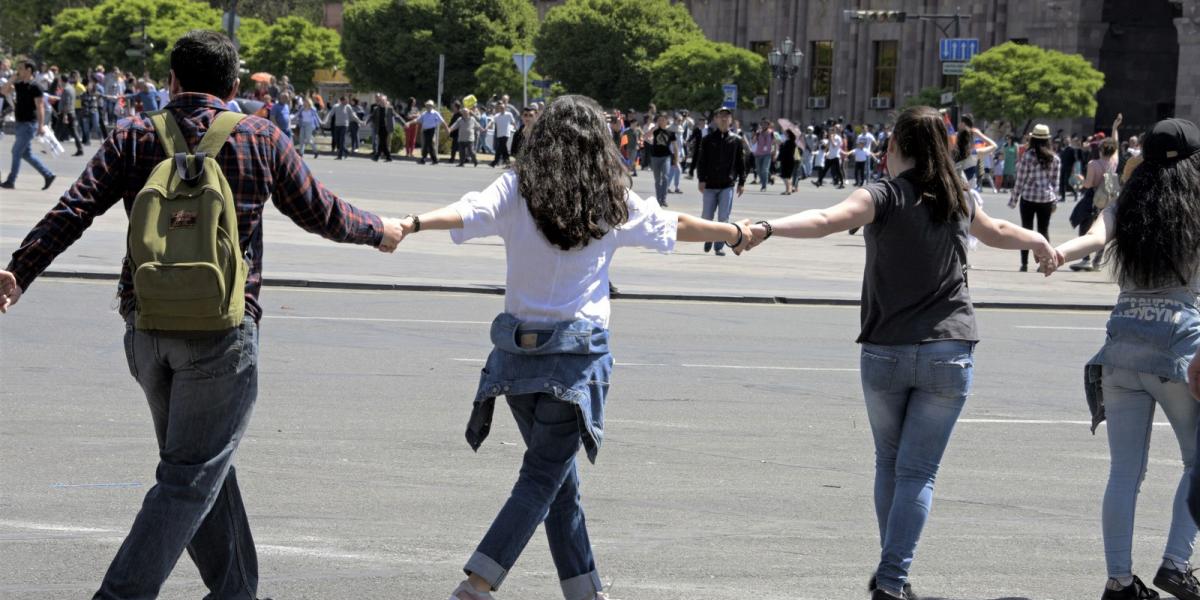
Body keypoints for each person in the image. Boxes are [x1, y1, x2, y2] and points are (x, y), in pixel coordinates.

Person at [0, 30, 404, 600]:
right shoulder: (260, 136)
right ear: (234, 86)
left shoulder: (134, 135)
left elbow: (76, 208)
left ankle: (236, 591)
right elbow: (320, 212)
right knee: (190, 476)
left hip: (146, 330)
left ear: (171, 81)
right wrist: (378, 231)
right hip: (223, 333)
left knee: (201, 463)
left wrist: (21, 269)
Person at [388, 94, 750, 600]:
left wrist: (412, 222)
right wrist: (733, 231)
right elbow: (675, 225)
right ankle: (476, 584)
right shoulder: (608, 195)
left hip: (515, 362)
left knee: (560, 483)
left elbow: (468, 211)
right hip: (576, 363)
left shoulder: (517, 186)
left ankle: (585, 590)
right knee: (542, 477)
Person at [743, 105, 1057, 600]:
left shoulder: (882, 194)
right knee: (918, 472)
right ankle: (893, 577)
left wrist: (766, 227)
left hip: (885, 350)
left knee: (890, 463)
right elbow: (997, 233)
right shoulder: (958, 197)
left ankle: (893, 575)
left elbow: (826, 219)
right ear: (947, 149)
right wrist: (1040, 240)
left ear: (892, 148)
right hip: (948, 349)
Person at [1049, 117, 1200, 600]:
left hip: (1120, 350)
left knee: (1124, 472)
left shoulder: (1127, 206)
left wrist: (1059, 252)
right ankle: (1176, 564)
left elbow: (1094, 238)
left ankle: (1119, 580)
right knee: (1197, 462)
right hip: (1178, 351)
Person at [1008, 124, 1061, 272]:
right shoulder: (1055, 159)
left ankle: (1024, 264)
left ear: (1033, 139)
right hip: (1046, 199)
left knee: (1026, 231)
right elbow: (1055, 184)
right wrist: (1054, 201)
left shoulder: (1027, 156)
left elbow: (1020, 179)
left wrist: (1013, 199)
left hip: (1028, 198)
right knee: (1043, 231)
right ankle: (1044, 263)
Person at [695, 106, 747, 256]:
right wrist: (701, 179)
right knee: (706, 216)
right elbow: (701, 161)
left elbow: (741, 162)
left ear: (731, 120)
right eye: (721, 116)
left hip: (727, 185)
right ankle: (708, 238)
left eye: (727, 116)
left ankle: (719, 245)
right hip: (710, 184)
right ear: (716, 119)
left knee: (723, 217)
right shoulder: (708, 139)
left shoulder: (736, 140)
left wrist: (742, 182)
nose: (724, 119)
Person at [1, 61, 56, 190]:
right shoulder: (19, 84)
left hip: (29, 124)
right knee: (26, 154)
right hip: (19, 123)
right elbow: (3, 91)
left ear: (29, 70)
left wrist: (41, 125)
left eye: (21, 68)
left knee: (15, 152)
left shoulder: (36, 87)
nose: (18, 70)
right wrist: (13, 78)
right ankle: (48, 175)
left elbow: (40, 106)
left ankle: (11, 180)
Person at [648, 113, 677, 207]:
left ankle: (663, 199)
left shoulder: (671, 133)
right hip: (655, 157)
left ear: (666, 121)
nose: (661, 122)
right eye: (659, 120)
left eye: (663, 120)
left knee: (665, 177)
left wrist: (676, 159)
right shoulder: (655, 131)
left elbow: (675, 147)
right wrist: (654, 128)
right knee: (657, 180)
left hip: (666, 157)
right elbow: (646, 136)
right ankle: (658, 199)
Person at [412, 100, 448, 165]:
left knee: (429, 144)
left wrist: (447, 129)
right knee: (427, 144)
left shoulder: (435, 113)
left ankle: (427, 159)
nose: (428, 107)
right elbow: (417, 120)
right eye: (427, 105)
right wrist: (409, 123)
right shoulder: (424, 113)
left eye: (430, 105)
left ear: (432, 106)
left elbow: (442, 121)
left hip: (432, 130)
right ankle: (430, 159)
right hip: (425, 131)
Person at [368, 94, 398, 162]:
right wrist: (365, 122)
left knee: (382, 142)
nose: (382, 101)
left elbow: (397, 116)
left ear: (386, 101)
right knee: (383, 143)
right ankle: (388, 157)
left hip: (386, 128)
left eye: (383, 100)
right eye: (381, 100)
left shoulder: (390, 108)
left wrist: (405, 123)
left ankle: (377, 156)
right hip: (379, 128)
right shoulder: (376, 109)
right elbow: (371, 117)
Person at [751, 119, 776, 192]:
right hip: (758, 154)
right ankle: (770, 178)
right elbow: (753, 142)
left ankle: (764, 186)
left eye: (765, 124)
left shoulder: (771, 133)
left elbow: (774, 143)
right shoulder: (758, 133)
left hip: (767, 154)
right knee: (758, 170)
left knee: (764, 170)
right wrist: (754, 135)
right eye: (762, 124)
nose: (763, 125)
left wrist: (774, 152)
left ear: (768, 125)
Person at [490, 103, 516, 168]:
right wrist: (487, 127)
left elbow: (513, 122)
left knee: (500, 147)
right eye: (500, 108)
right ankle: (507, 162)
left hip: (506, 133)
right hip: (499, 134)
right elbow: (492, 121)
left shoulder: (509, 114)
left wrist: (516, 128)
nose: (502, 109)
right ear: (499, 109)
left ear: (505, 108)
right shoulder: (497, 115)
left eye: (503, 108)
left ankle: (495, 162)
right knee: (503, 148)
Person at [779, 129, 798, 195]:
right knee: (788, 176)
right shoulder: (793, 142)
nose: (785, 134)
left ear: (789, 134)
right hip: (790, 160)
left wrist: (781, 145)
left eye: (786, 133)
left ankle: (788, 190)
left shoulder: (789, 142)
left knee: (785, 176)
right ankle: (788, 190)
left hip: (787, 160)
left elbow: (785, 151)